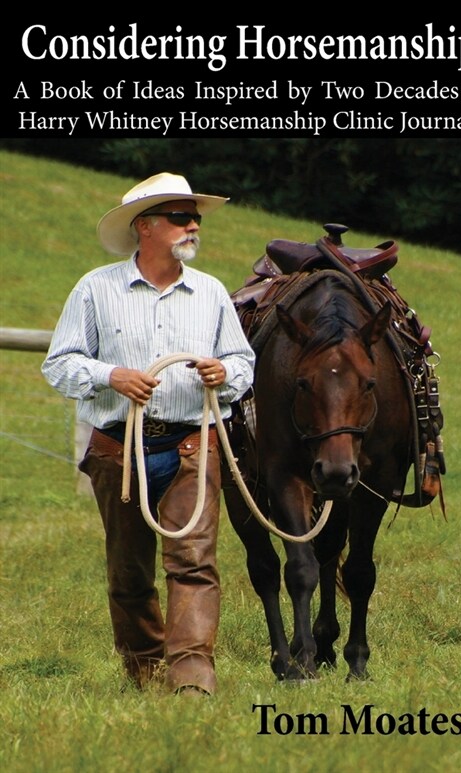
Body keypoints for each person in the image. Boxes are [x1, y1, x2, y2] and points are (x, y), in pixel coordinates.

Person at [42, 172, 255, 695]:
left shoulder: (210, 293)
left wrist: (224, 374)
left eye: (194, 216)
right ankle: (144, 670)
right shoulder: (95, 289)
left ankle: (192, 680)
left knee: (194, 563)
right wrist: (109, 375)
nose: (193, 225)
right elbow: (59, 363)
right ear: (145, 226)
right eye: (181, 217)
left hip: (193, 444)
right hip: (119, 449)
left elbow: (243, 362)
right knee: (128, 574)